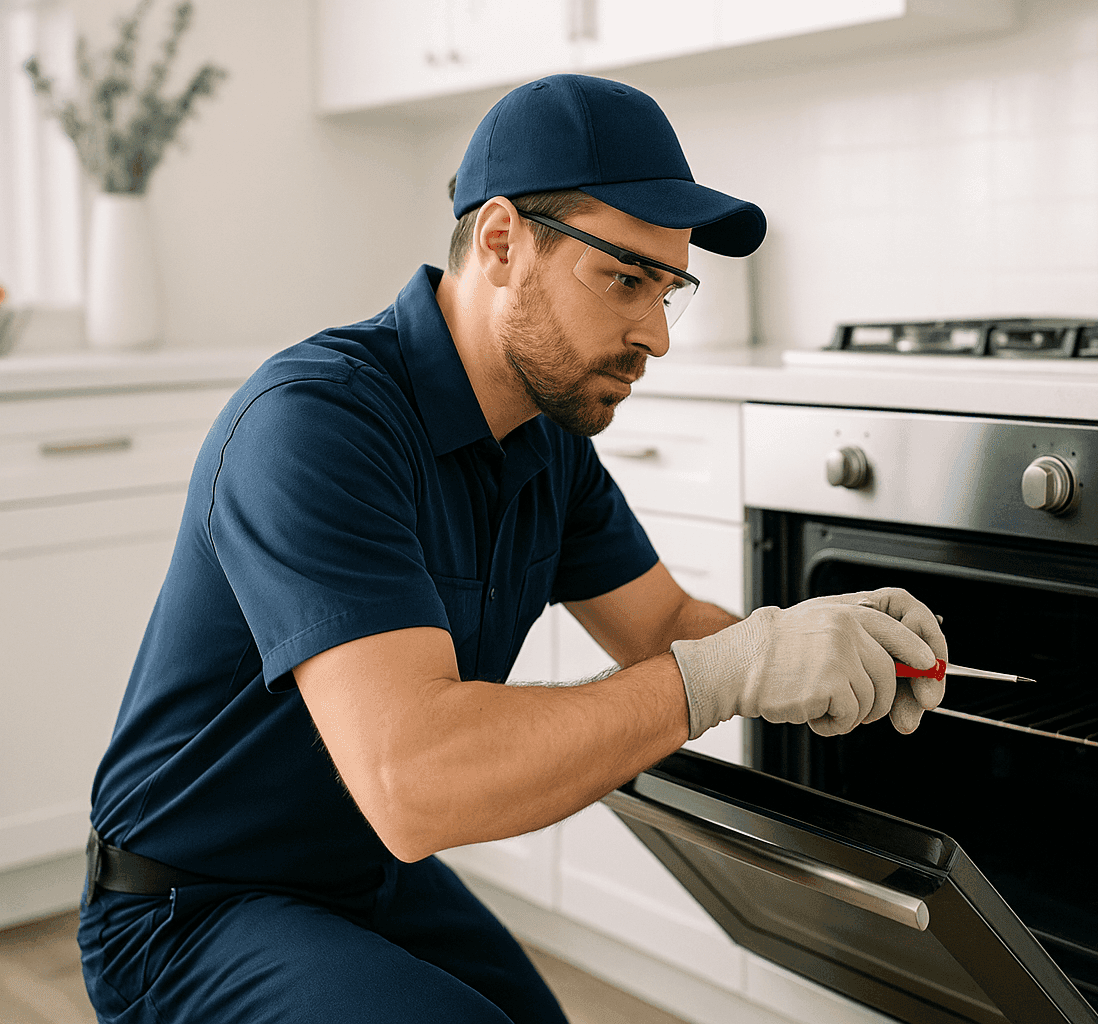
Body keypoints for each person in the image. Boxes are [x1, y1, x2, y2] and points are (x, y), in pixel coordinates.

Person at [77, 74, 947, 1024]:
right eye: (625, 278)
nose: (655, 334)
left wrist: (819, 641)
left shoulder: (546, 443)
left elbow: (663, 627)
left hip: (357, 873)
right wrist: (728, 673)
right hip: (188, 906)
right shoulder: (317, 425)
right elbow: (418, 784)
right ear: (501, 241)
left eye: (670, 288)